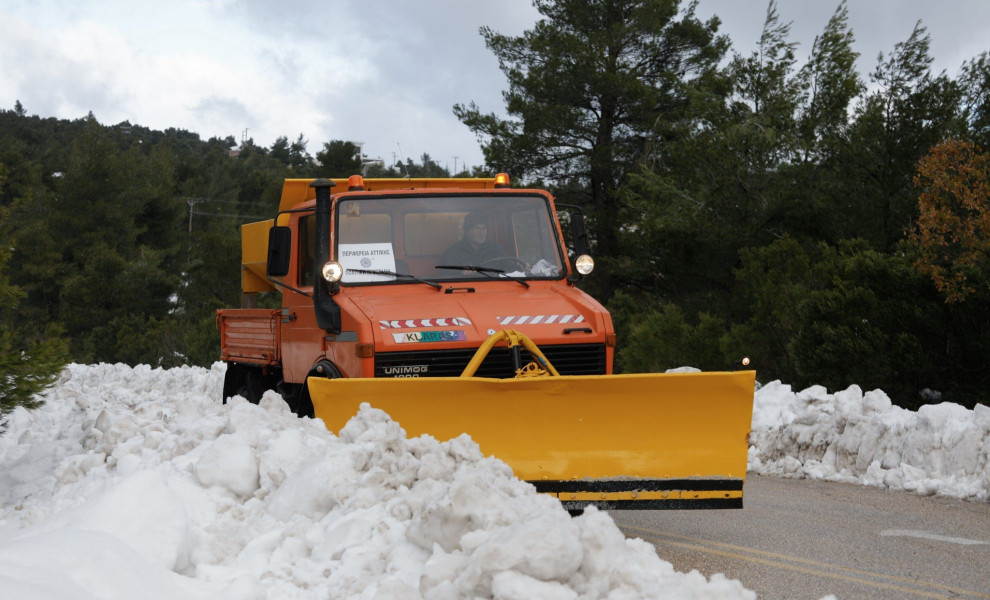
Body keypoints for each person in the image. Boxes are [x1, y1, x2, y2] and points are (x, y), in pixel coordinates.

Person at [441, 211, 506, 268]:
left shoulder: (496, 249)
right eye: (477, 228)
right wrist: (461, 273)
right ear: (467, 232)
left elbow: (509, 268)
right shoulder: (453, 252)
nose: (482, 233)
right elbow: (446, 272)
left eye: (484, 228)